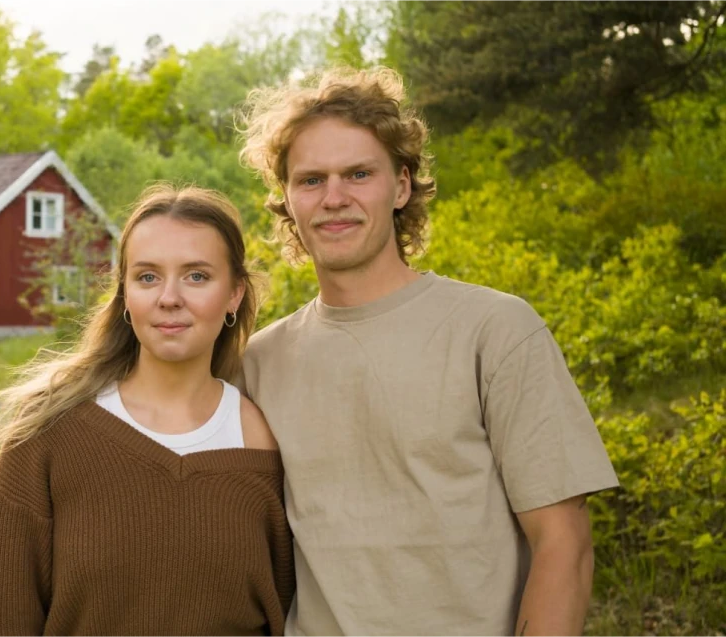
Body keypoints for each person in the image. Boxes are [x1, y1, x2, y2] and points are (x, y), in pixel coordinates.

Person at [235, 68, 619, 636]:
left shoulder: (495, 329)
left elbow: (564, 545)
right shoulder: (259, 363)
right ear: (287, 201)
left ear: (402, 185)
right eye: (311, 180)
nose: (334, 198)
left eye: (359, 174)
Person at [0, 184, 295, 636]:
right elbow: (1, 621)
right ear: (124, 293)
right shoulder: (49, 432)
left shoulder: (264, 438)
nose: (169, 297)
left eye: (197, 276)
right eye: (147, 277)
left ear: (235, 294)